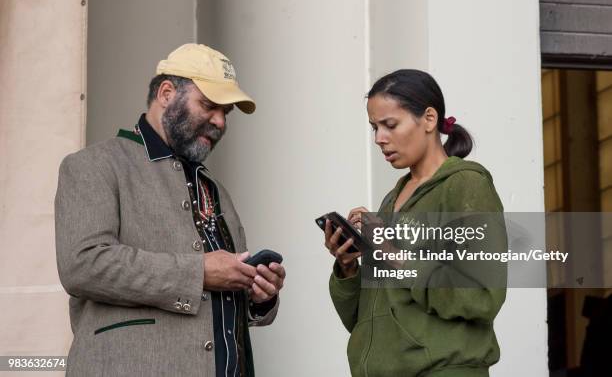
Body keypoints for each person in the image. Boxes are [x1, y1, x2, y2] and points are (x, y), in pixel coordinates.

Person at [55, 43, 285, 377]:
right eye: (209, 105)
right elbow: (82, 265)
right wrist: (199, 273)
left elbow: (219, 300)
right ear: (166, 93)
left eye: (227, 112)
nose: (220, 121)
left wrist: (257, 293)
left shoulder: (215, 189)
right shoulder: (94, 165)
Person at [324, 69, 507, 377]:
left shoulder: (465, 184)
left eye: (390, 125)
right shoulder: (390, 201)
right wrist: (348, 267)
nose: (379, 138)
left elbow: (482, 295)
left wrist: (391, 251)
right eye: (374, 128)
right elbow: (367, 319)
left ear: (429, 119)